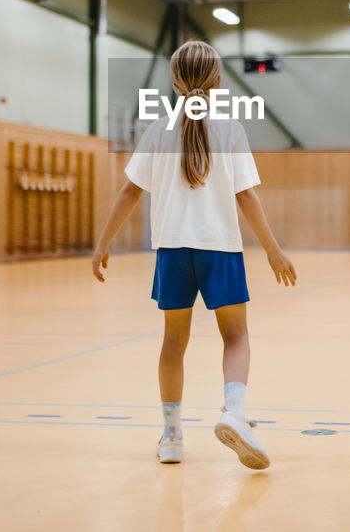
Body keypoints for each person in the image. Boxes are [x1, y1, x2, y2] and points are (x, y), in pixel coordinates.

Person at [92, 40, 297, 468]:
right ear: (218, 80)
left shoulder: (157, 128)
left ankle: (171, 437)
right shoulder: (229, 129)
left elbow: (130, 191)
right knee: (236, 337)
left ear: (174, 79)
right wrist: (274, 249)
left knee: (173, 341)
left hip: (172, 249)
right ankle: (234, 415)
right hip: (219, 247)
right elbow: (246, 196)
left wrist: (102, 242)